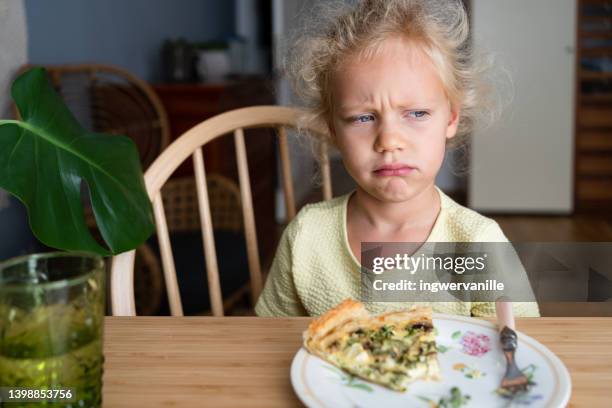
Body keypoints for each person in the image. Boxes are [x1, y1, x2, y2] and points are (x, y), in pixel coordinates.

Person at [256, 0, 539, 317]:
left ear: (450, 119)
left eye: (417, 113)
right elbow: (267, 341)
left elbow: (518, 346)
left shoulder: (477, 242)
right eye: (362, 118)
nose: (389, 140)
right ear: (332, 130)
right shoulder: (306, 236)